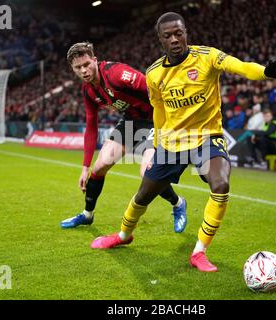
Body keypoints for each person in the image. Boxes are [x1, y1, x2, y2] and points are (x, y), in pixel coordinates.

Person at [89, 12, 276, 272]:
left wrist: (265, 72)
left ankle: (199, 252)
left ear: (186, 32)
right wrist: (158, 143)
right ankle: (123, 236)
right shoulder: (154, 74)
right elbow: (158, 111)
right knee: (144, 195)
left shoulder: (207, 57)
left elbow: (239, 66)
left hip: (207, 137)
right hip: (171, 143)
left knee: (221, 183)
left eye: (179, 33)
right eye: (168, 35)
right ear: (160, 40)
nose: (175, 39)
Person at [60, 42, 188, 233]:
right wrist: (85, 167)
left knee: (147, 172)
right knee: (100, 166)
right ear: (73, 69)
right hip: (131, 121)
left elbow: (153, 88)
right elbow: (91, 126)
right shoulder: (88, 90)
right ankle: (87, 215)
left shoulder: (117, 74)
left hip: (155, 119)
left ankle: (178, 204)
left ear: (94, 60)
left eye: (86, 64)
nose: (84, 70)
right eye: (78, 67)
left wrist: (176, 118)